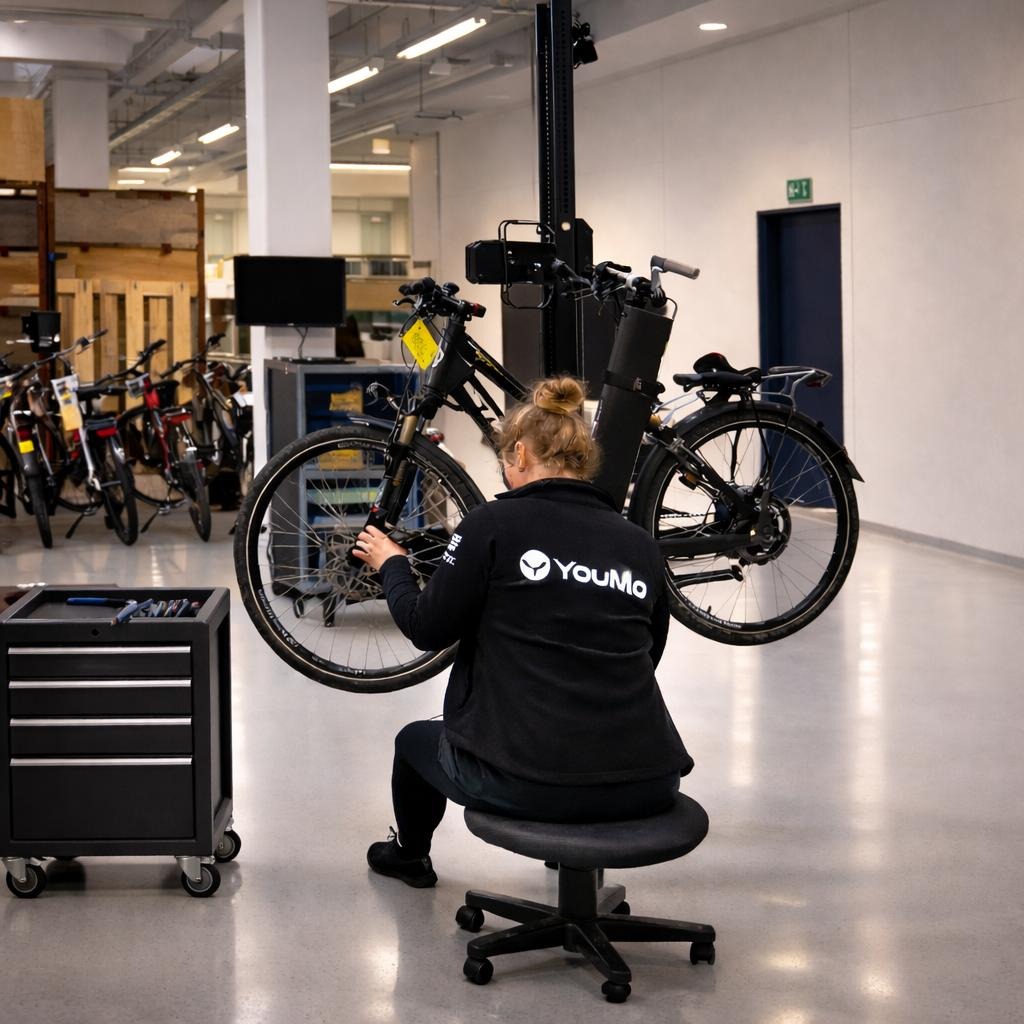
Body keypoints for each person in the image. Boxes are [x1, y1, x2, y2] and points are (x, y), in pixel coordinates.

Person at [352, 376, 693, 888]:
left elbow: (424, 627)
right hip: (646, 782)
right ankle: (574, 864)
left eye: (504, 460)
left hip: (524, 781)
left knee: (413, 741)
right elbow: (649, 652)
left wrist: (392, 564)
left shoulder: (490, 525)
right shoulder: (638, 543)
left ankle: (409, 857)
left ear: (520, 453)